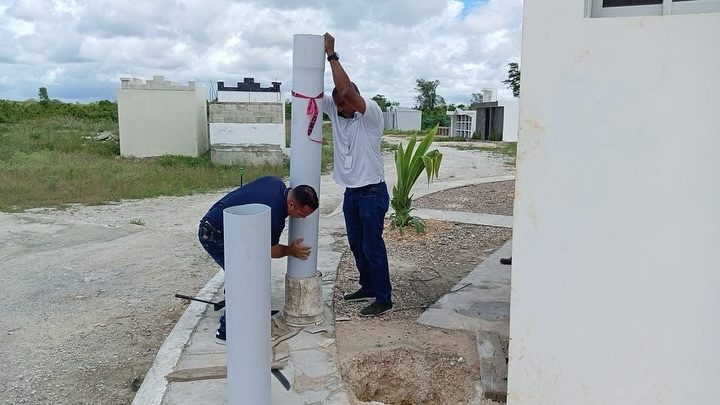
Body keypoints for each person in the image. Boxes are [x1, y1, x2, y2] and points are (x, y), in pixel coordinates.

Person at [321, 32, 392, 317]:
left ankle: (384, 298)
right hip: (351, 192)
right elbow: (313, 94)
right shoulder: (337, 110)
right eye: (336, 104)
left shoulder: (370, 114)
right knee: (356, 244)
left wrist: (331, 55)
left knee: (372, 245)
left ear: (355, 100)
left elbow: (347, 92)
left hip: (372, 192)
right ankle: (368, 286)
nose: (339, 109)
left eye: (343, 104)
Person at [198, 175, 319, 344]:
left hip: (232, 229)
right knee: (242, 278)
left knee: (255, 267)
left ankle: (254, 310)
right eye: (302, 214)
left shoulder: (275, 182)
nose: (303, 218)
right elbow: (271, 251)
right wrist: (291, 250)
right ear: (291, 205)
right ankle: (226, 331)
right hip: (214, 234)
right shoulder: (274, 217)